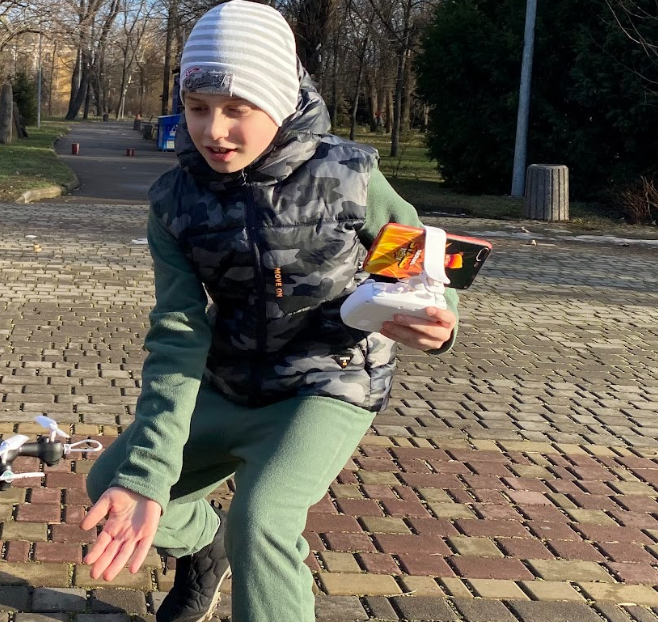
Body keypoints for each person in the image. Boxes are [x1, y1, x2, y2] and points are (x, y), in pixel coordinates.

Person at [77, 2, 460, 621]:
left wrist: (438, 317)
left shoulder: (350, 177)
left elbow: (423, 263)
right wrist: (148, 473)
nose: (214, 131)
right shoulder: (174, 201)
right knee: (115, 484)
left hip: (328, 379)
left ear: (278, 103)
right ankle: (204, 546)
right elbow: (177, 333)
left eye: (237, 109)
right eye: (197, 107)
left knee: (261, 519)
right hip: (230, 380)